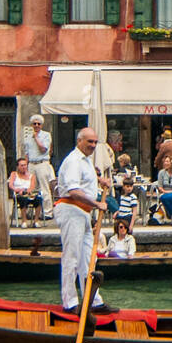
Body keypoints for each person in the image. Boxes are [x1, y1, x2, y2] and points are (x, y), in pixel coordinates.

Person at [55, 127, 112, 314]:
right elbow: (73, 190)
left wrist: (98, 180)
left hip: (84, 214)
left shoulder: (85, 161)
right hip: (72, 210)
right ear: (80, 141)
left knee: (88, 259)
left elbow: (84, 180)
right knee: (71, 257)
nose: (93, 145)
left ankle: (93, 300)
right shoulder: (73, 160)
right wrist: (97, 203)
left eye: (95, 142)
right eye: (90, 142)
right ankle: (69, 302)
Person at [22, 115, 54, 219]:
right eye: (34, 124)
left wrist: (36, 138)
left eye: (38, 124)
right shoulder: (27, 138)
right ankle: (35, 212)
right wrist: (25, 168)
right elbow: (27, 153)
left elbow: (43, 149)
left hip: (42, 163)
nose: (36, 125)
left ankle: (47, 212)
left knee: (44, 188)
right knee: (32, 189)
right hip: (32, 164)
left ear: (41, 125)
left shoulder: (46, 135)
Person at [9, 156, 42, 226]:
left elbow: (32, 186)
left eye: (25, 165)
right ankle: (24, 221)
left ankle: (36, 221)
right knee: (23, 199)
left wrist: (26, 191)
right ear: (18, 166)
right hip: (18, 194)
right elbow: (11, 185)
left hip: (29, 193)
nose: (24, 167)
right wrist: (17, 190)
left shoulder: (31, 176)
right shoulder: (14, 174)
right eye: (21, 165)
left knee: (39, 199)